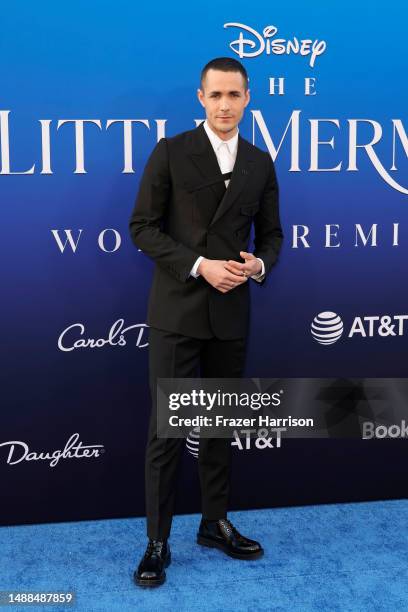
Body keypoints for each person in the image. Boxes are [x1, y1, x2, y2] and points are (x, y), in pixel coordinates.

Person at [129, 57, 283, 587]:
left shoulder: (260, 163)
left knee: (218, 428)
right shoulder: (171, 152)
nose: (224, 105)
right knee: (166, 433)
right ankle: (157, 540)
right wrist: (199, 266)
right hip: (178, 312)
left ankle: (214, 523)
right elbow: (143, 228)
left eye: (234, 95)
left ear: (247, 99)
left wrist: (258, 265)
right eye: (215, 95)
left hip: (231, 315)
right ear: (200, 98)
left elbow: (272, 236)